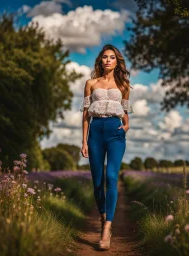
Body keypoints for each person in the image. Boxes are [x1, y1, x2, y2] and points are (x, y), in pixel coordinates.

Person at [80, 44, 134, 250]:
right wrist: (84, 141)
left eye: (112, 57)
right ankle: (103, 215)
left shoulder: (124, 86)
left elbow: (125, 112)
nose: (108, 60)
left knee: (111, 177)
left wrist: (126, 126)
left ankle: (107, 227)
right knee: (97, 181)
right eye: (105, 57)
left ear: (117, 61)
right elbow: (85, 114)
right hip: (96, 132)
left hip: (115, 132)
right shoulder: (90, 83)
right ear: (100, 60)